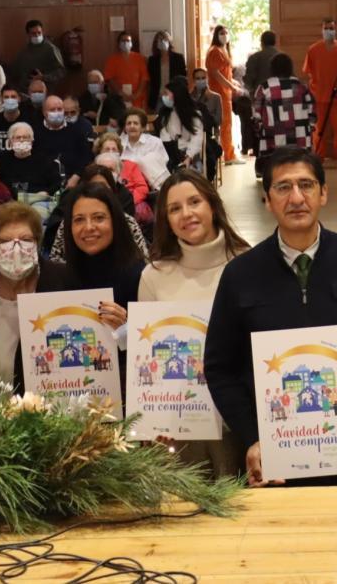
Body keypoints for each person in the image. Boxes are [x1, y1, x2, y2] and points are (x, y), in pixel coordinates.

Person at [206, 148, 337, 487]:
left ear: (323, 193)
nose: (296, 198)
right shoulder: (240, 275)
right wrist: (252, 437)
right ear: (267, 200)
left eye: (306, 185)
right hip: (274, 462)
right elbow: (220, 367)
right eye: (283, 187)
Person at [138, 170, 251, 478]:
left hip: (237, 422)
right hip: (179, 428)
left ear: (212, 204)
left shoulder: (248, 263)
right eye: (174, 208)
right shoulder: (154, 275)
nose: (186, 214)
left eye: (194, 202)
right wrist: (154, 419)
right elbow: (148, 358)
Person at [0, 201, 74, 388]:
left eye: (26, 239)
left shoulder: (66, 281)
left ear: (37, 243)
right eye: (5, 241)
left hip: (50, 400)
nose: (16, 250)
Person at [60, 182, 144, 352]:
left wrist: (125, 329)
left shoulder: (140, 276)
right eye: (79, 220)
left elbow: (148, 348)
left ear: (115, 222)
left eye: (99, 218)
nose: (89, 227)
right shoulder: (61, 277)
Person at [302, 19, 337, 169]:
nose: (329, 31)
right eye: (326, 28)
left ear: (335, 29)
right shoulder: (313, 50)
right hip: (319, 96)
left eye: (331, 28)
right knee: (319, 130)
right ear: (322, 29)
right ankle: (319, 155)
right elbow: (308, 72)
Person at [204, 25, 243, 165]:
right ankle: (229, 156)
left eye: (226, 32)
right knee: (224, 125)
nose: (225, 35)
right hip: (219, 93)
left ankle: (227, 153)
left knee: (227, 125)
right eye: (222, 33)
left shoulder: (224, 50)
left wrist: (233, 82)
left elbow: (225, 73)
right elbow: (215, 73)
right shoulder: (215, 51)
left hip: (225, 93)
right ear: (216, 35)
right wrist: (231, 86)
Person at [0, 122, 62, 205]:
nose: (21, 140)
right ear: (10, 141)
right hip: (10, 202)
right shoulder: (2, 161)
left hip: (38, 201)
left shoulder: (45, 161)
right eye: (18, 137)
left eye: (25, 137)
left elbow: (57, 183)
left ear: (31, 141)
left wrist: (47, 192)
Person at [35, 95, 91, 183]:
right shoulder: (35, 132)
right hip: (43, 183)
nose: (57, 113)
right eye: (52, 110)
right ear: (44, 112)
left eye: (60, 109)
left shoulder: (77, 131)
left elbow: (85, 157)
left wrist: (76, 176)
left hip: (73, 181)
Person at [94, 133, 150, 217]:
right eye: (107, 149)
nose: (111, 152)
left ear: (119, 152)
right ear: (100, 152)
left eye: (114, 149)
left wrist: (129, 201)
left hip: (128, 202)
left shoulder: (130, 165)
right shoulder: (93, 169)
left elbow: (142, 188)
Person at [157, 78, 205, 172]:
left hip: (189, 154)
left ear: (177, 95)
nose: (164, 97)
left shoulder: (194, 115)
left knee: (191, 172)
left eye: (166, 94)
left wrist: (188, 157)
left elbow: (196, 139)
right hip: (170, 153)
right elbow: (164, 137)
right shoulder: (166, 114)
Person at [120, 109, 170, 190]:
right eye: (129, 123)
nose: (132, 126)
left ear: (142, 128)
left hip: (152, 184)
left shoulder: (154, 142)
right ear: (125, 128)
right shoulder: (118, 144)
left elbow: (162, 164)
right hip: (126, 185)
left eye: (135, 123)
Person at [9, 19, 65, 90]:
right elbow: (15, 73)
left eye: (39, 32)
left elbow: (61, 71)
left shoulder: (51, 49)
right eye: (33, 33)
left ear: (42, 32)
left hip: (46, 90)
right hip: (25, 90)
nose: (37, 35)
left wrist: (43, 77)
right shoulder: (23, 52)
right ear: (28, 34)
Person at [104, 30, 149, 110]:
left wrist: (136, 95)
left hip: (137, 99)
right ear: (118, 43)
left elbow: (144, 79)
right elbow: (109, 79)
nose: (125, 43)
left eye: (128, 41)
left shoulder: (140, 58)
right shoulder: (112, 60)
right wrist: (120, 93)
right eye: (123, 41)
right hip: (120, 99)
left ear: (131, 43)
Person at [146, 31, 188, 112]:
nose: (162, 42)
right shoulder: (152, 60)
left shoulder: (178, 58)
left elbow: (183, 78)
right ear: (156, 43)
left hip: (174, 96)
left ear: (169, 41)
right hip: (158, 97)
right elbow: (150, 81)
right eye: (159, 40)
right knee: (159, 118)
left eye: (164, 39)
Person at [242, 30, 279, 99]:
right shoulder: (283, 58)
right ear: (275, 42)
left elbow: (248, 81)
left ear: (262, 43)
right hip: (280, 96)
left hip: (261, 97)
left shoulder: (254, 58)